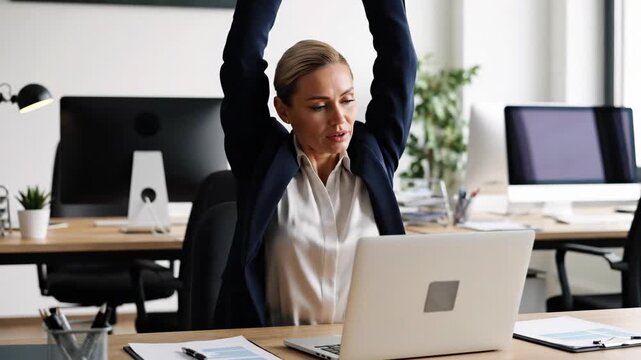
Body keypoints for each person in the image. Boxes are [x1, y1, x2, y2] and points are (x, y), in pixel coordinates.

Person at [215, 0, 417, 328]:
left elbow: (400, 62)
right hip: (273, 351)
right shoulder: (261, 161)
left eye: (348, 100)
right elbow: (241, 64)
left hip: (360, 349)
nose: (340, 119)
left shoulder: (373, 155)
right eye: (319, 106)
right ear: (284, 110)